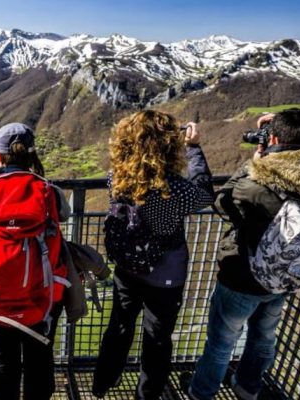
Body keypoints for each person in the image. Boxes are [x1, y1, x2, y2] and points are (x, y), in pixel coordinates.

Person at [188, 108, 300, 400]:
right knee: (263, 338)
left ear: (272, 138)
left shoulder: (254, 186)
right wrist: (294, 135)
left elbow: (221, 202)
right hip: (284, 277)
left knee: (221, 343)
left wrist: (254, 163)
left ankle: (202, 394)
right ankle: (248, 387)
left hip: (243, 276)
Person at [92, 110, 214, 399]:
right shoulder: (175, 190)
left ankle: (102, 382)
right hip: (164, 273)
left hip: (129, 265)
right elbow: (205, 195)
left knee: (120, 326)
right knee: (158, 338)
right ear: (168, 145)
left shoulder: (117, 178)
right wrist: (194, 149)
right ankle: (147, 394)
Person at [0, 123, 70, 400]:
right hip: (42, 297)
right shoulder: (49, 191)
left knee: (3, 364)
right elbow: (64, 214)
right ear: (32, 155)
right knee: (39, 361)